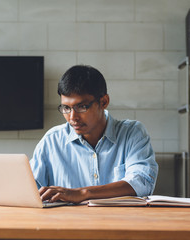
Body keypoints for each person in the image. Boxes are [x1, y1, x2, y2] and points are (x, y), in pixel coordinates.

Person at [29, 65, 158, 204]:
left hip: (119, 223)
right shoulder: (51, 140)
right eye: (66, 108)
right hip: (66, 224)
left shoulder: (132, 133)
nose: (73, 117)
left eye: (81, 107)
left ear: (104, 102)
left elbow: (142, 182)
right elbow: (28, 189)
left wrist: (83, 193)